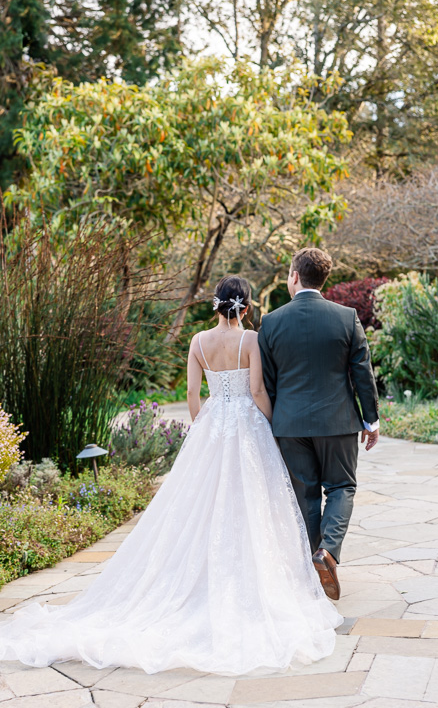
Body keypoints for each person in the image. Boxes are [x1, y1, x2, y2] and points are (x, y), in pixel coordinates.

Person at [0, 275, 341, 676]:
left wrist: (206, 433)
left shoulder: (198, 342)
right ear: (245, 307)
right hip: (248, 427)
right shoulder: (250, 340)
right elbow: (259, 391)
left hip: (212, 425)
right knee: (252, 503)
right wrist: (268, 426)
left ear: (215, 306)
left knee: (201, 505)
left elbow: (194, 396)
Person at [258, 248, 380, 601]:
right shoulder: (346, 317)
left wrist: (275, 424)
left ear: (295, 275)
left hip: (290, 425)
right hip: (338, 421)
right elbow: (362, 373)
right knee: (341, 487)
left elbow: (268, 382)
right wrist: (370, 420)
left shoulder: (271, 322)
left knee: (305, 494)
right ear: (322, 278)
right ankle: (327, 552)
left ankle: (315, 569)